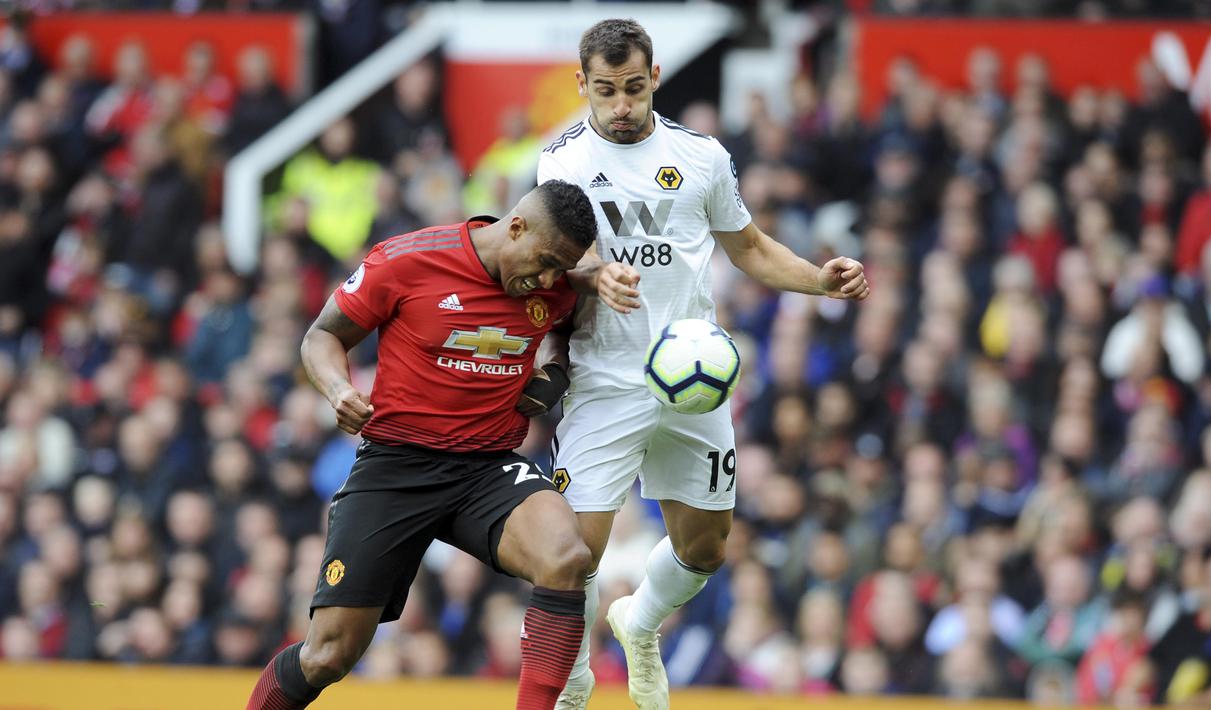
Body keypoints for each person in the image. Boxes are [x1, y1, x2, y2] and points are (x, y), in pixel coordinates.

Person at [537, 19, 870, 710]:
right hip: (604, 375)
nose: (621, 105)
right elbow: (550, 259)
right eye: (605, 91)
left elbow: (745, 246)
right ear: (583, 86)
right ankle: (570, 680)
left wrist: (819, 280)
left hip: (693, 378)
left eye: (633, 88)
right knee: (574, 554)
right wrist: (594, 276)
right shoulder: (561, 161)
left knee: (705, 547)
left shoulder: (700, 157)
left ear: (654, 78)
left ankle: (640, 623)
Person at [245, 180, 607, 710]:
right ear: (516, 226)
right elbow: (322, 336)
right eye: (547, 262)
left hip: (487, 467)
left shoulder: (557, 281)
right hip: (396, 465)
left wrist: (553, 364)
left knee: (567, 556)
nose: (550, 279)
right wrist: (338, 388)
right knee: (328, 655)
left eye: (561, 269)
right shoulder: (406, 260)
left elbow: (563, 324)